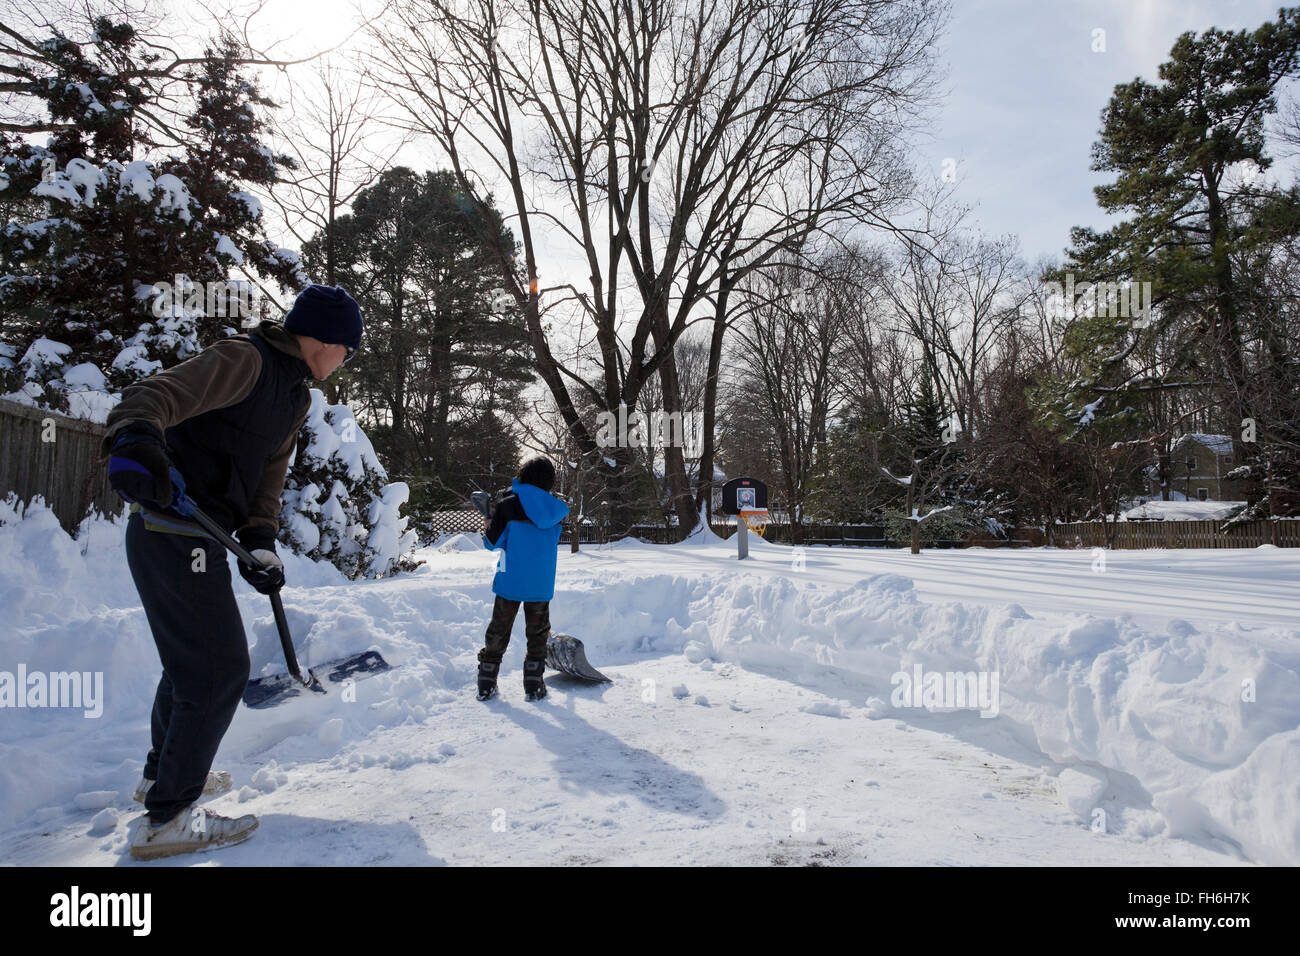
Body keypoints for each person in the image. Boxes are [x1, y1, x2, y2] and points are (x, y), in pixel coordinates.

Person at [103, 284, 363, 860]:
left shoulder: (294, 397)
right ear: (322, 340)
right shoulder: (246, 359)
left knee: (190, 664)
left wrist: (262, 541)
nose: (346, 361)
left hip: (203, 537)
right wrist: (137, 438)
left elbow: (268, 477)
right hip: (170, 529)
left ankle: (160, 780)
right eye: (346, 349)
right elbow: (153, 395)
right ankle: (167, 820)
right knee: (218, 670)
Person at [477, 457, 570, 701]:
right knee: (538, 634)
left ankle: (486, 683)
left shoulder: (508, 506)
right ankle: (534, 686)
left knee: (499, 631)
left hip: (511, 580)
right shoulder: (555, 510)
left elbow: (491, 543)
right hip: (540, 582)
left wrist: (489, 524)